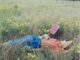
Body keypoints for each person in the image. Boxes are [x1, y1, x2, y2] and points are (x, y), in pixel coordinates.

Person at [3, 24, 72, 52]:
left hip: (36, 41)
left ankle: (5, 45)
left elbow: (62, 51)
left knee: (19, 43)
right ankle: (6, 45)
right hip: (35, 39)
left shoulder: (57, 46)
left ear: (63, 46)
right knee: (19, 42)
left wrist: (64, 49)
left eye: (65, 41)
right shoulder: (56, 41)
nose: (64, 40)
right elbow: (49, 34)